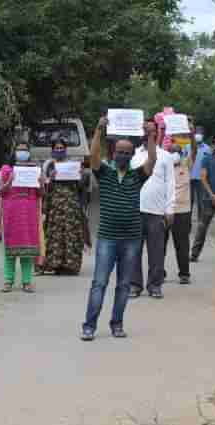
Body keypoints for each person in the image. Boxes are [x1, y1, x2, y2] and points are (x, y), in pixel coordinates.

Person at [81, 117, 157, 341]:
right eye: (119, 151)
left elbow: (152, 158)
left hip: (132, 239)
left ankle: (117, 323)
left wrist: (150, 135)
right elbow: (93, 156)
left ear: (132, 155)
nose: (123, 155)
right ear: (113, 153)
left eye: (127, 152)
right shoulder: (104, 173)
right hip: (107, 238)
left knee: (124, 285)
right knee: (99, 283)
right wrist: (98, 128)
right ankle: (89, 325)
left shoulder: (137, 176)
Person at [129, 126, 176, 299]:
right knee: (133, 250)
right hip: (134, 209)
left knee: (156, 251)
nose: (147, 133)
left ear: (156, 133)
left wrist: (170, 208)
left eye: (150, 130)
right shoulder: (132, 155)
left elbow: (171, 182)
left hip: (157, 210)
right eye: (144, 129)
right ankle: (134, 285)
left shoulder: (165, 156)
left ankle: (155, 285)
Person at [0, 142, 44, 293]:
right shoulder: (6, 169)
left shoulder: (34, 170)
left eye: (25, 150)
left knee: (27, 249)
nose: (22, 152)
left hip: (29, 212)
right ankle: (8, 281)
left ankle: (27, 281)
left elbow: (40, 194)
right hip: (11, 212)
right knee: (9, 248)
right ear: (14, 152)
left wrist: (42, 184)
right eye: (19, 150)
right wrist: (9, 182)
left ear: (29, 153)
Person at [43, 139, 86, 275]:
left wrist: (80, 176)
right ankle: (55, 265)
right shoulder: (49, 165)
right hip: (55, 206)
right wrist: (50, 178)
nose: (59, 150)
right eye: (57, 148)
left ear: (66, 150)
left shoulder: (73, 165)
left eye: (62, 148)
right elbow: (44, 188)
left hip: (71, 206)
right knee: (55, 235)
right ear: (52, 150)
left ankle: (71, 266)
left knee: (71, 235)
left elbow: (80, 187)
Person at [165, 143, 193, 284]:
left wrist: (192, 136)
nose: (174, 154)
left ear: (181, 154)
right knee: (159, 245)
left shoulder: (186, 165)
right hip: (164, 211)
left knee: (182, 244)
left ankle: (184, 274)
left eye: (177, 151)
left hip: (183, 211)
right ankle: (159, 272)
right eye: (171, 151)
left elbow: (193, 150)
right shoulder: (162, 166)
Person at [188, 126, 210, 216]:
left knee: (201, 201)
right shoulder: (187, 147)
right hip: (189, 177)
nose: (198, 135)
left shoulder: (207, 149)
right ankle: (187, 220)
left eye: (200, 133)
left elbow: (209, 163)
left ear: (203, 135)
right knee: (189, 201)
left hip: (201, 179)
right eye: (197, 133)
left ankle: (201, 221)